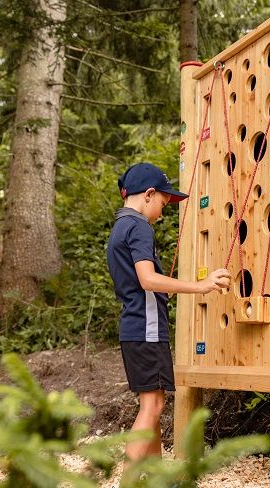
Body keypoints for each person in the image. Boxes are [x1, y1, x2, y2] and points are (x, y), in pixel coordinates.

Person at [107, 162, 230, 463]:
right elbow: (147, 279)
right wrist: (201, 286)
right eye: (163, 203)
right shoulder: (139, 227)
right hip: (146, 329)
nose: (162, 213)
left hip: (133, 328)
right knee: (153, 407)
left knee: (154, 403)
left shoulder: (120, 226)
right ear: (148, 195)